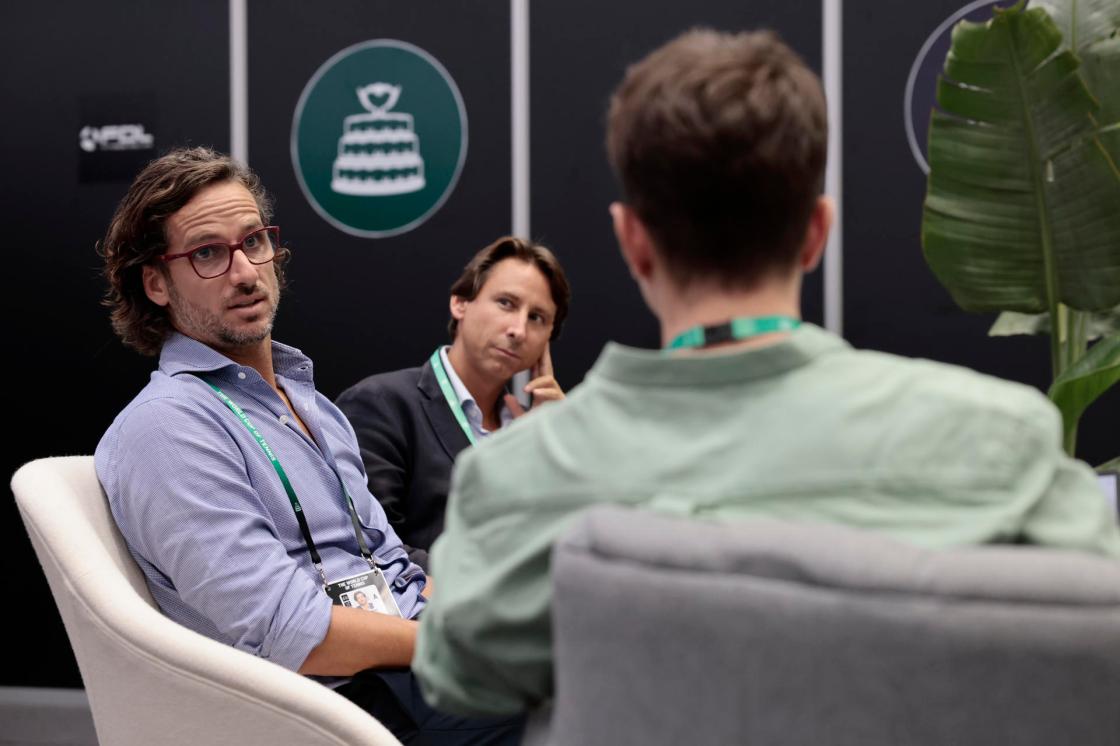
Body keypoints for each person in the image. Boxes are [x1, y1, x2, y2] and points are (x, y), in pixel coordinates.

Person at [412, 28, 1120, 717]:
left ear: (633, 241)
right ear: (817, 231)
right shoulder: (1002, 442)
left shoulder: (514, 478)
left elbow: (459, 681)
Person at [94, 147, 520, 743]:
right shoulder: (166, 428)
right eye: (208, 253)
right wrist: (459, 646)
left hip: (403, 663)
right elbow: (290, 629)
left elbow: (390, 561)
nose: (245, 272)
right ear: (157, 283)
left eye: (254, 242)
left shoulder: (313, 405)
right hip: (324, 706)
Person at [336, 237, 571, 570]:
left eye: (537, 318)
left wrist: (556, 450)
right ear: (461, 303)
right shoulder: (383, 404)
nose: (518, 329)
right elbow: (370, 552)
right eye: (506, 303)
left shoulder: (535, 430)